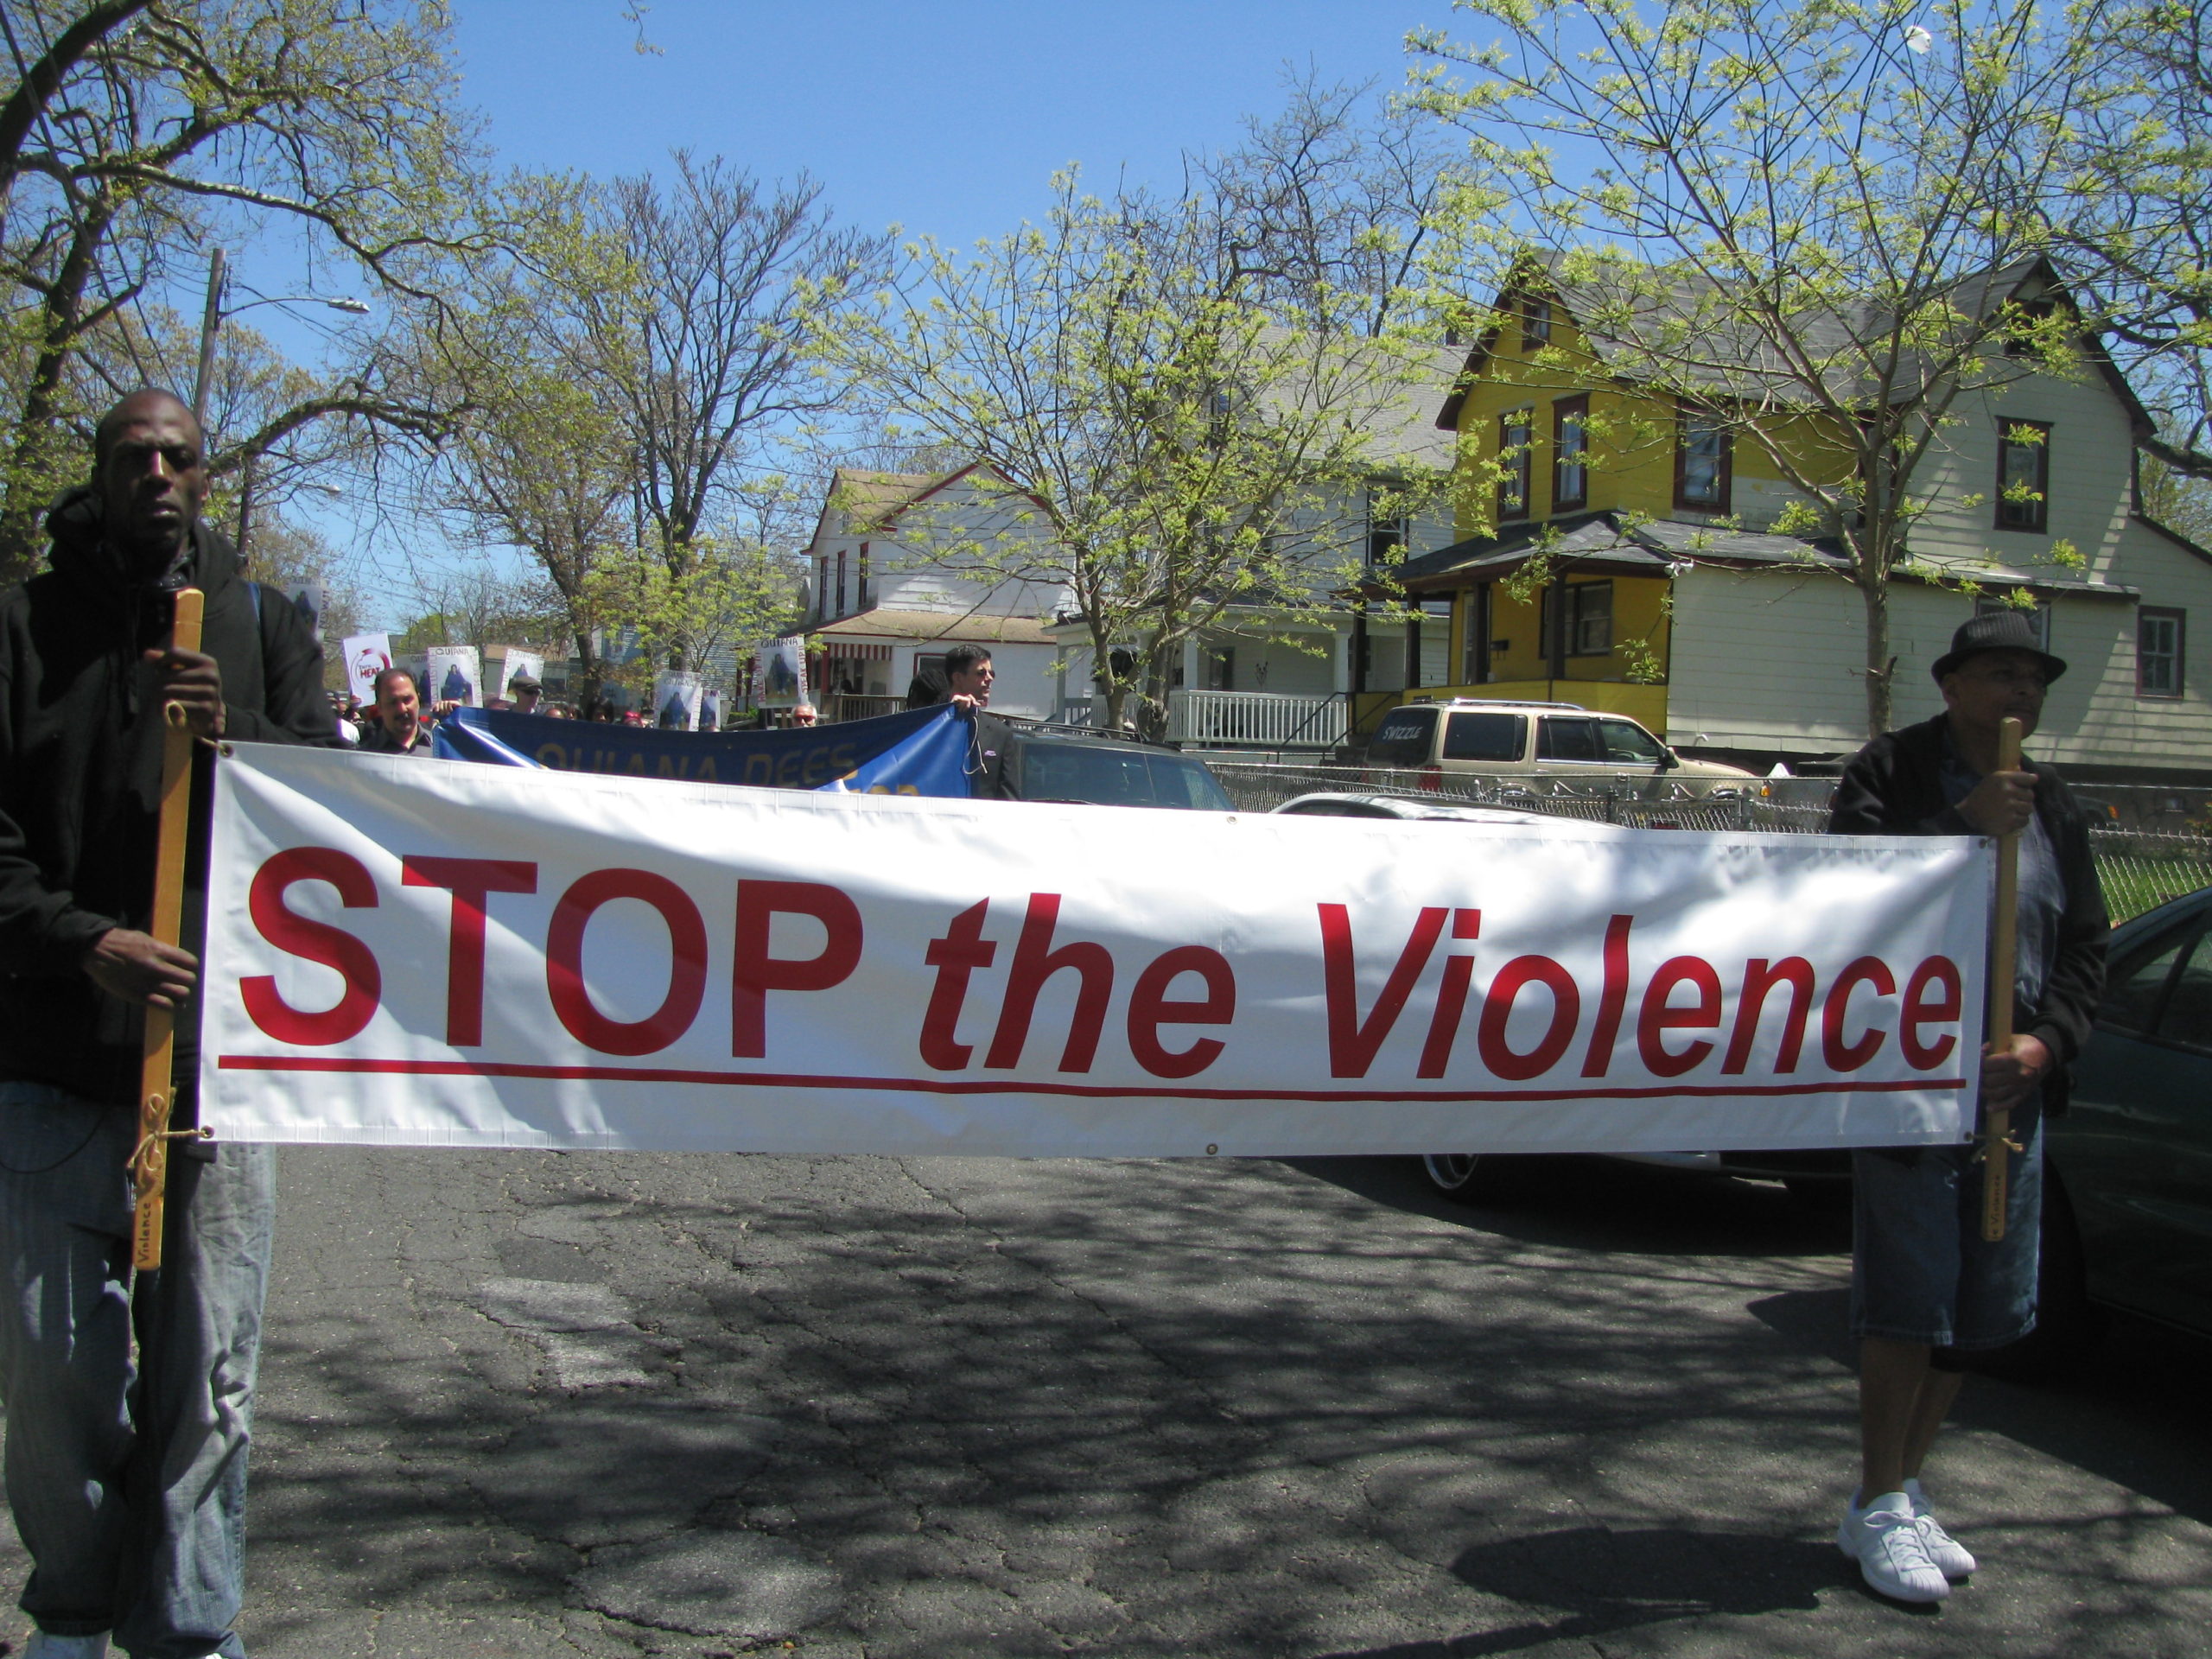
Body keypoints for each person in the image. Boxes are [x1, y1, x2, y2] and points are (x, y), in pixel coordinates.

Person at [0, 388, 337, 1658]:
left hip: (220, 1072)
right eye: (130, 454)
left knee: (210, 1380)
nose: (154, 473)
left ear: (206, 478)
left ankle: (192, 1627)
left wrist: (234, 734)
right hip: (51, 1065)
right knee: (56, 1380)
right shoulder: (26, 631)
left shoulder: (264, 627)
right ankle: (76, 1616)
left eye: (177, 457)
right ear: (95, 474)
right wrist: (85, 942)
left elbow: (334, 818)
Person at [1825, 610, 2107, 1604]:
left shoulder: (2056, 803)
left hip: (2008, 1093)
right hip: (1905, 1086)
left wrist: (2042, 1044)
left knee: (1977, 1305)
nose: (2019, 695)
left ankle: (1901, 1487)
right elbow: (1842, 899)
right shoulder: (1890, 771)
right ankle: (1870, 1501)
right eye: (1999, 674)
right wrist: (1959, 828)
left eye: (2033, 679)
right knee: (1909, 1293)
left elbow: (2083, 948)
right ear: (1950, 686)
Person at [357, 665, 450, 759]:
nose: (402, 709)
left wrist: (460, 716)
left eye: (407, 699)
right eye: (393, 702)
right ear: (380, 707)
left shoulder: (444, 748)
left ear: (418, 699)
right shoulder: (363, 758)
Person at [904, 645, 995, 711]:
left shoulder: (997, 731)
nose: (990, 678)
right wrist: (950, 709)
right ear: (958, 678)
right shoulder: (934, 719)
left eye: (991, 673)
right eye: (981, 673)